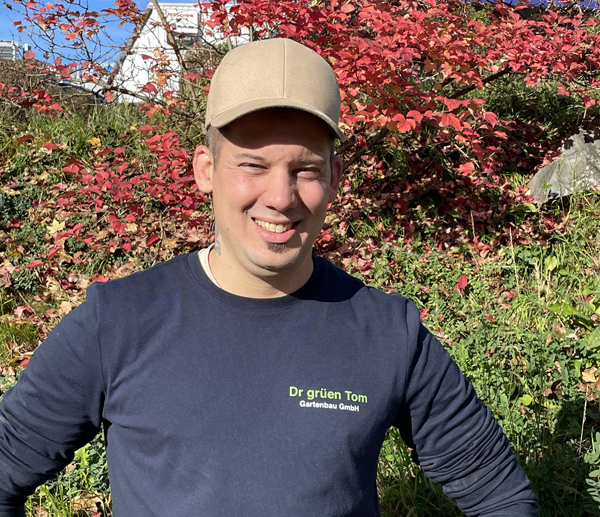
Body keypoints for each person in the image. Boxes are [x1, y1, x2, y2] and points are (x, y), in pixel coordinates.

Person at [0, 38, 539, 516]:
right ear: (206, 170)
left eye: (306, 169)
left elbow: (501, 497)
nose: (281, 197)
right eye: (253, 165)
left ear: (334, 178)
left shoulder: (388, 332)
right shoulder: (117, 322)